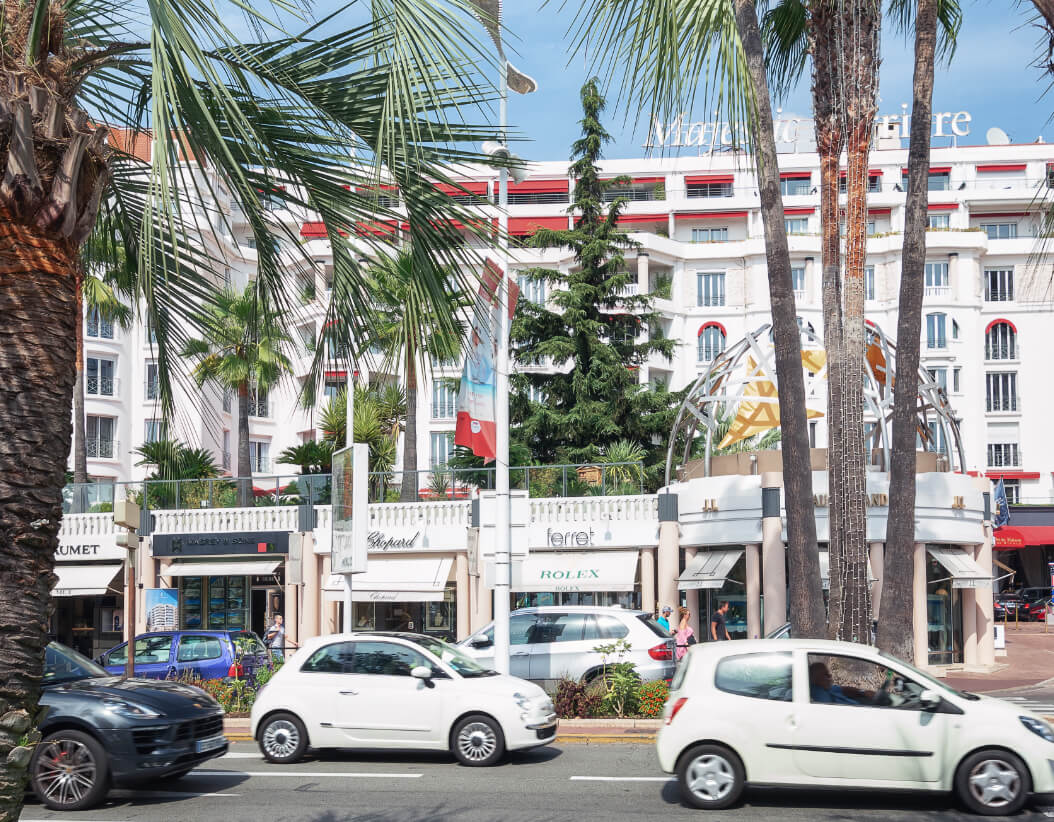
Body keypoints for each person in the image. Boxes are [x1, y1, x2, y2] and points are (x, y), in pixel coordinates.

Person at [808, 661, 872, 705]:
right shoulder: (820, 696)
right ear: (817, 678)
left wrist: (862, 692)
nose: (830, 676)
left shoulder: (827, 688)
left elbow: (843, 689)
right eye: (826, 674)